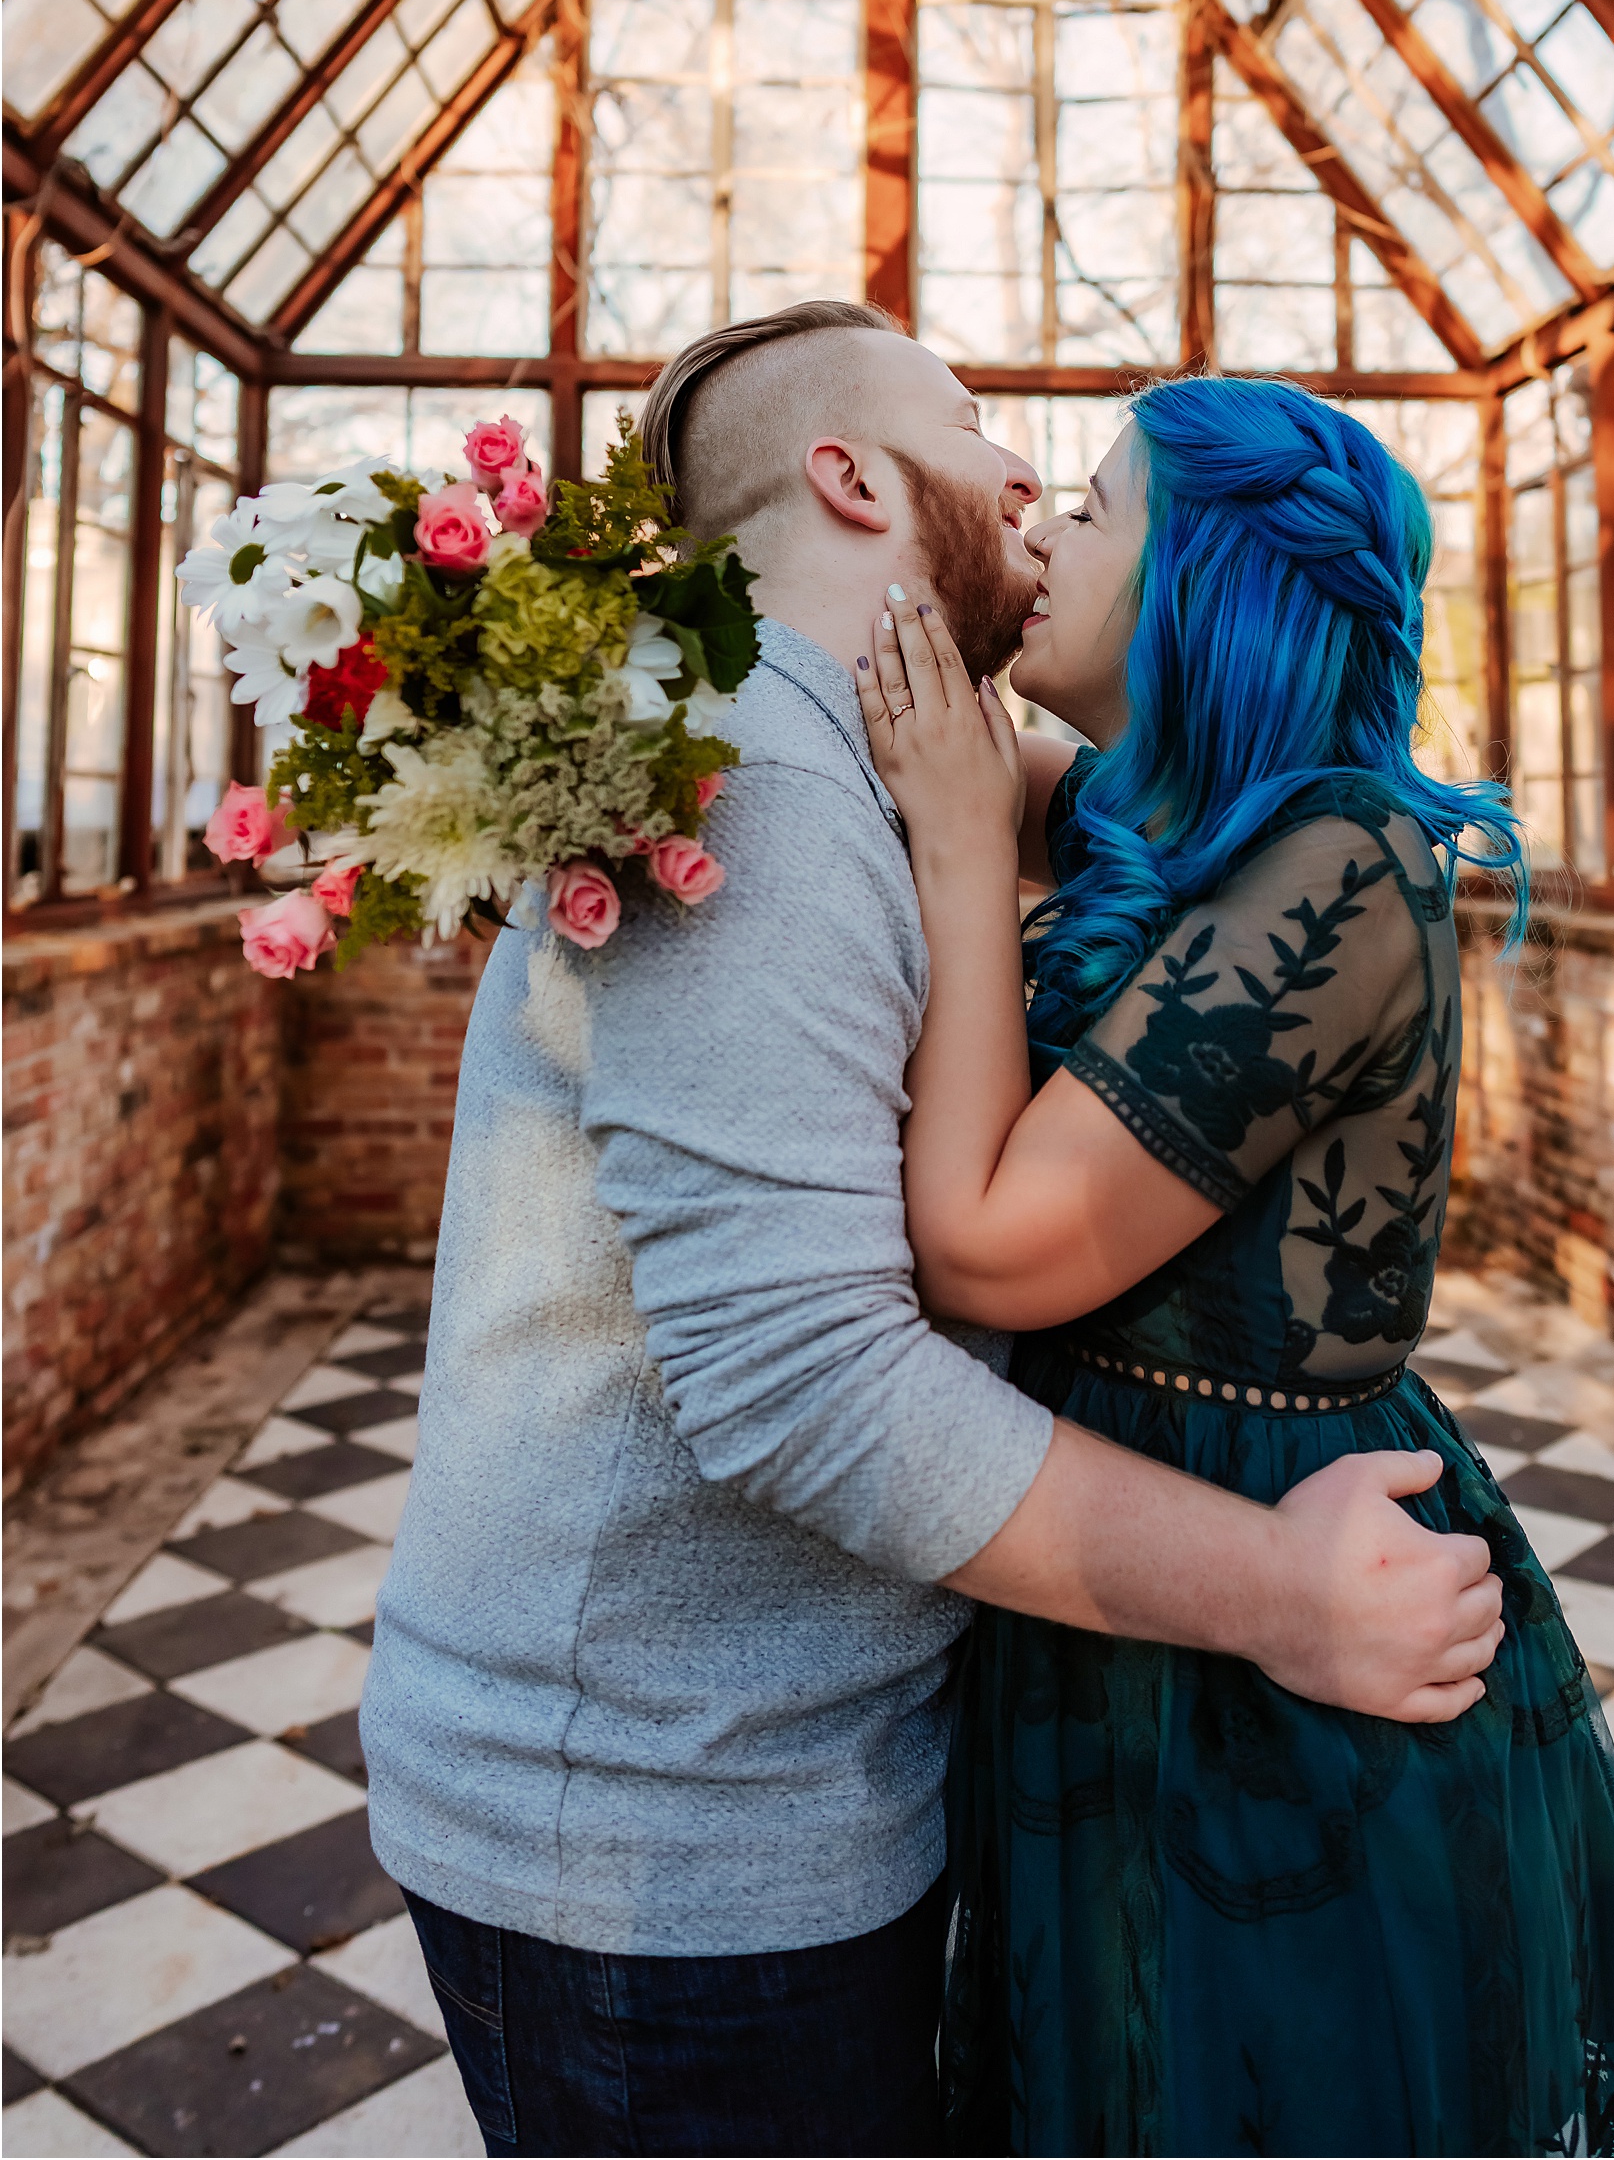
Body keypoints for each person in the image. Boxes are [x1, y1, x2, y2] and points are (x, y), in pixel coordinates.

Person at [361, 304, 1505, 2160]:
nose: (1029, 477)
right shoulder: (768, 793)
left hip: (796, 1773)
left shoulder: (836, 763)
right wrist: (1276, 1591)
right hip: (672, 1831)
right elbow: (815, 1384)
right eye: (979, 425)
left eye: (1099, 497)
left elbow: (1181, 817)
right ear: (852, 475)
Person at [853, 373, 1614, 2160]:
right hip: (1130, 1548)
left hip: (1286, 1585)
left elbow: (994, 1253)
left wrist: (951, 844)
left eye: (1089, 507)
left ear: (1207, 577)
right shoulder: (1180, 821)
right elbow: (1045, 767)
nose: (1042, 531)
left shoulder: (1350, 860)